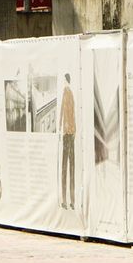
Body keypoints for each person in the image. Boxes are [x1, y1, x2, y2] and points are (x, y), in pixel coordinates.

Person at [59, 74, 76, 210]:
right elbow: (69, 113)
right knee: (70, 167)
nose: (63, 83)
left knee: (66, 167)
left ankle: (67, 200)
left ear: (66, 81)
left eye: (64, 80)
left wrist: (62, 130)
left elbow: (65, 113)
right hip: (70, 133)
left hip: (67, 134)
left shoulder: (66, 94)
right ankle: (70, 200)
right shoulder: (69, 94)